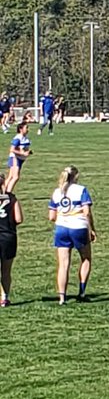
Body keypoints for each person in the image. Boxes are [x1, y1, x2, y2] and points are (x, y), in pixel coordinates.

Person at [49, 165, 96, 303]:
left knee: (63, 264)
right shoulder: (81, 190)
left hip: (61, 228)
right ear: (75, 177)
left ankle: (62, 297)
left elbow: (52, 216)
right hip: (79, 227)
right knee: (86, 258)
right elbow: (87, 212)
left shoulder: (57, 192)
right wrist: (92, 229)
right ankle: (81, 293)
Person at [0, 179, 22, 307]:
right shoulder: (12, 198)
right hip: (8, 237)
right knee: (6, 270)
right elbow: (18, 219)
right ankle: (5, 297)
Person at [6, 121, 31, 190]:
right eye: (26, 128)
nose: (28, 129)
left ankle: (3, 192)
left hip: (20, 159)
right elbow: (12, 149)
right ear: (21, 129)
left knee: (11, 176)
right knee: (15, 177)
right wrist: (23, 153)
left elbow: (22, 148)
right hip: (15, 158)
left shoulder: (25, 138)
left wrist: (28, 152)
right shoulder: (18, 138)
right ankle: (8, 193)